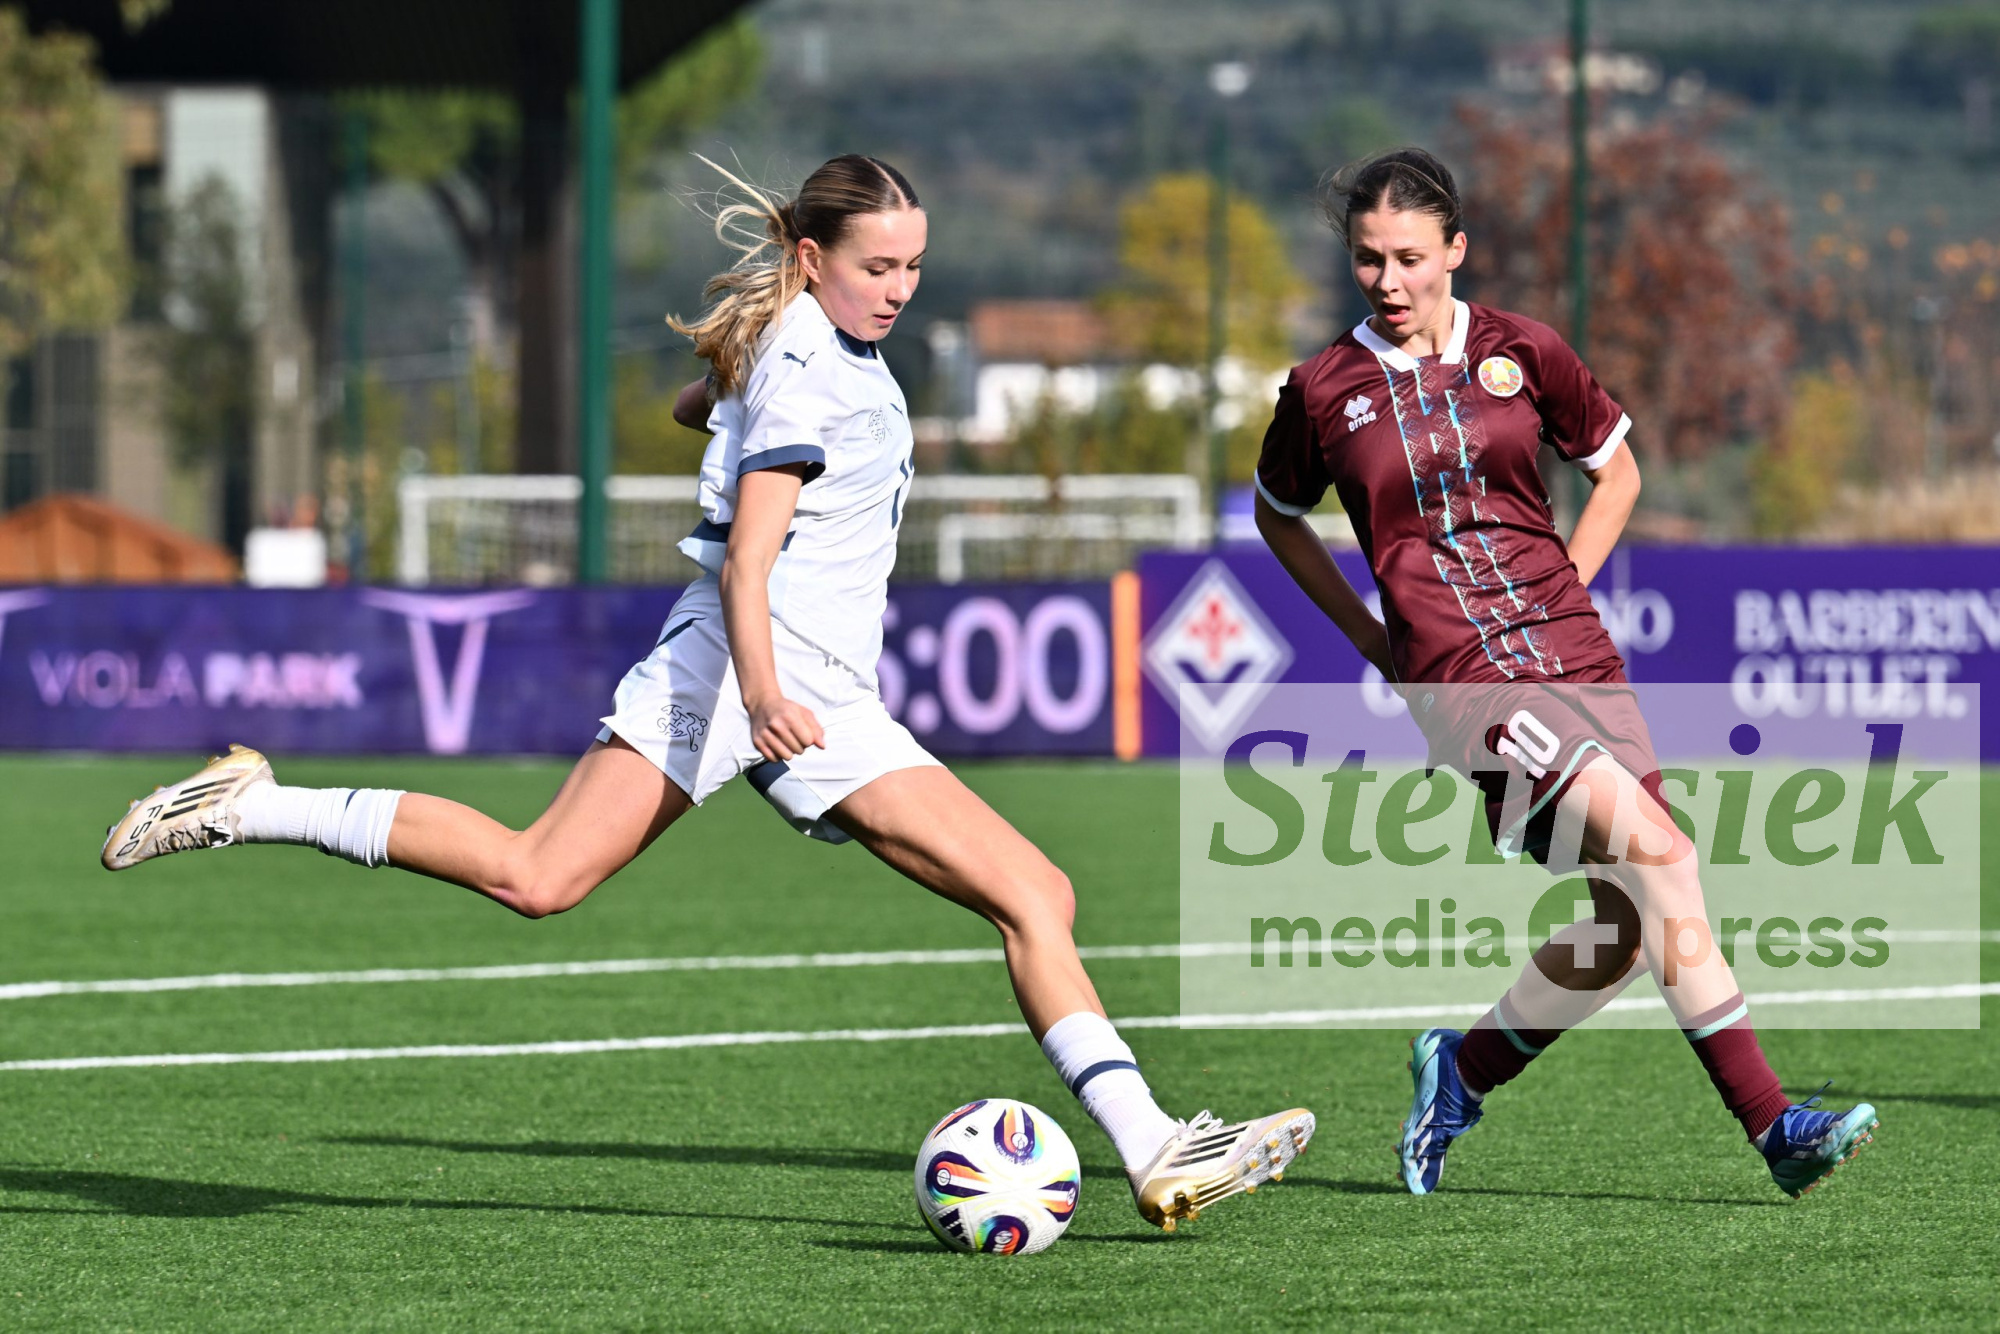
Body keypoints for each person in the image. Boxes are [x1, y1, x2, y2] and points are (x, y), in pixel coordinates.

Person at [99, 153, 1312, 1233]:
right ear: (811, 257)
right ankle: (248, 801)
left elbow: (700, 405)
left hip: (821, 690)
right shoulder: (809, 374)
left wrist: (734, 381)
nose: (898, 288)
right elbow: (746, 559)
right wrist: (767, 693)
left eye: (912, 266)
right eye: (876, 265)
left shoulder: (809, 349)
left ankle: (1152, 1148)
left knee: (1032, 891)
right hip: (738, 672)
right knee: (536, 875)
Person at [1252, 147, 1876, 1199]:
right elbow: (1279, 515)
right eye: (1367, 259)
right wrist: (1370, 639)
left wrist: (1563, 590)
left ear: (1456, 248)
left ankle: (1460, 1071)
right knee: (1662, 855)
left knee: (1627, 923)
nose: (1388, 281)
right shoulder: (1323, 389)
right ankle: (1774, 1125)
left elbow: (1616, 471)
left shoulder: (1523, 348)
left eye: (1409, 257)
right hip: (1464, 675)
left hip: (1576, 655)